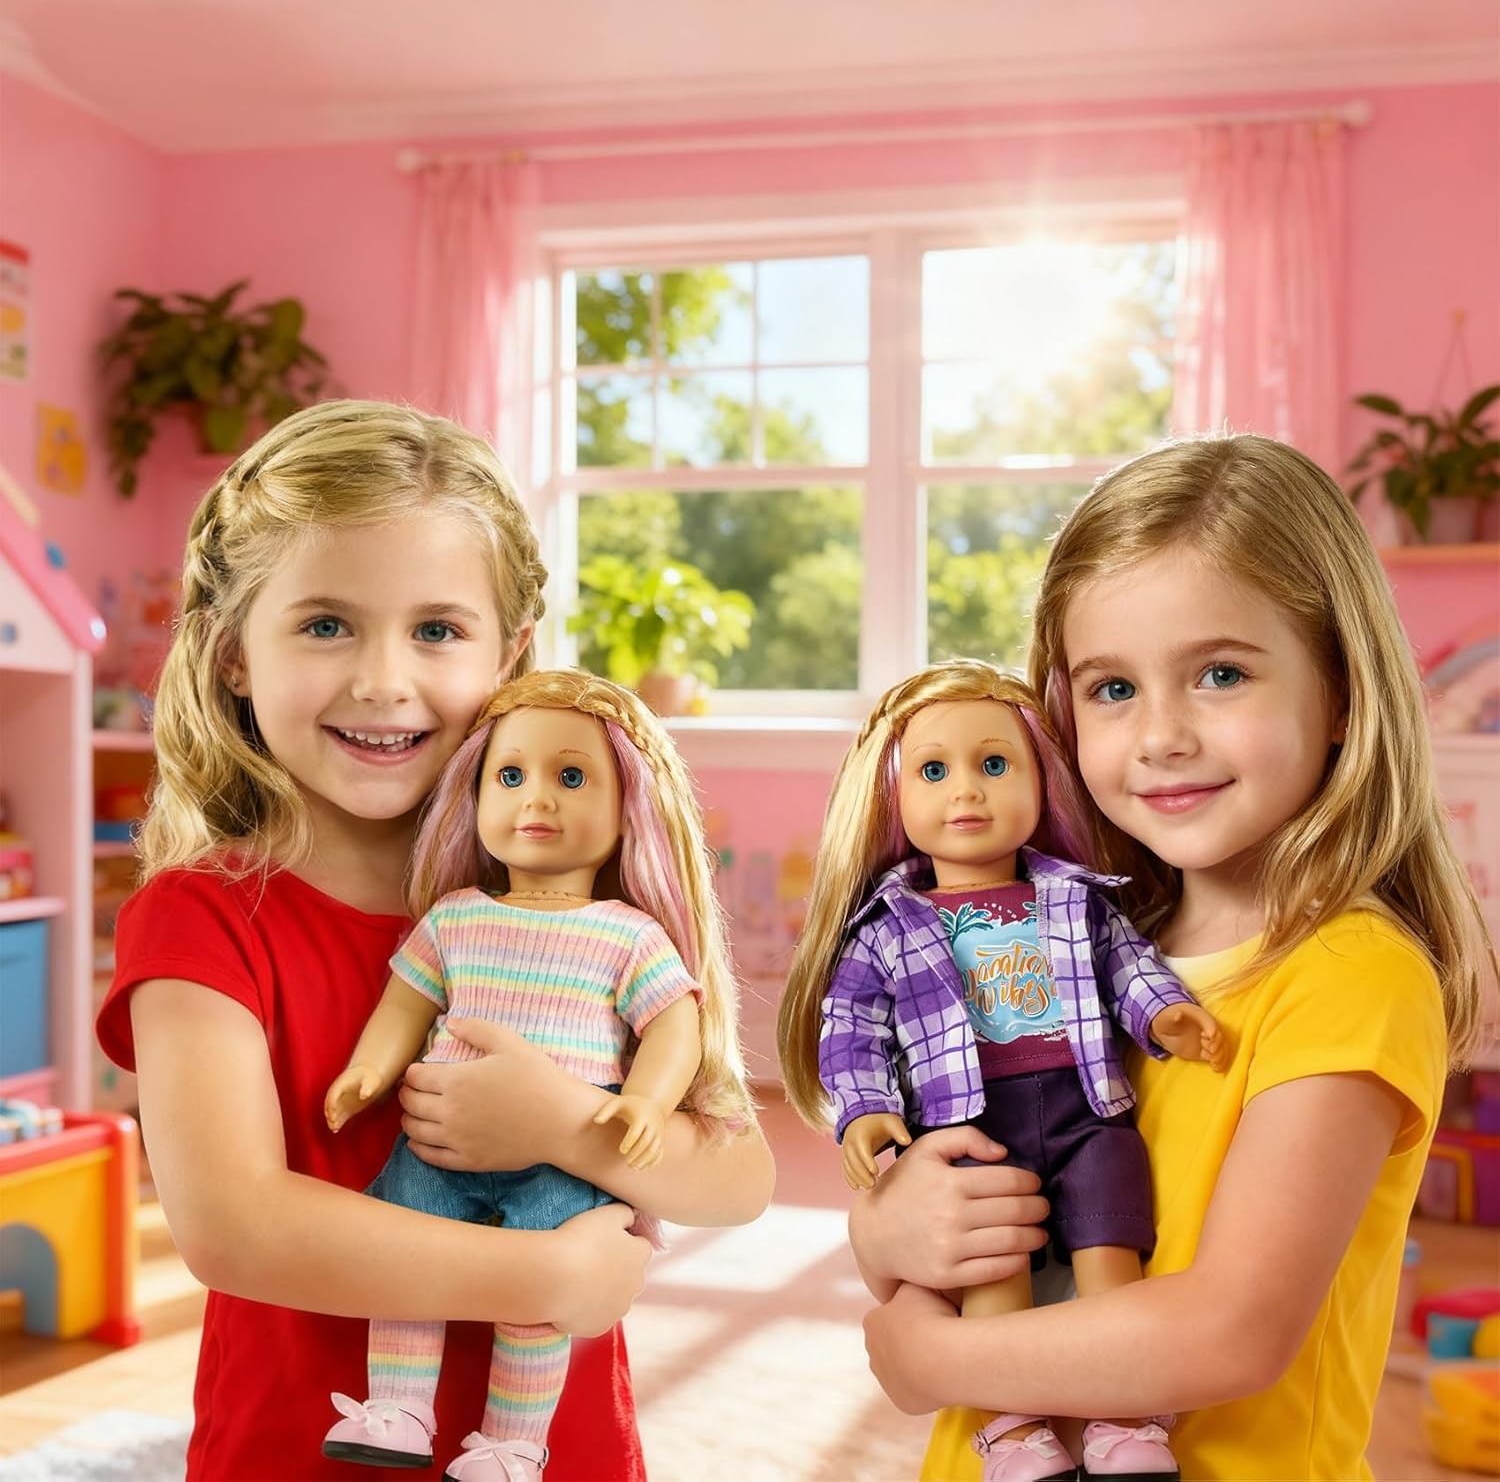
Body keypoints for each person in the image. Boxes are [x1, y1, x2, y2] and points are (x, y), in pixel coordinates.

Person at [96, 400, 774, 1482]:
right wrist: (538, 1278)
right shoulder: (199, 918)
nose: (383, 679)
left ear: (511, 657)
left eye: (438, 631)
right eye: (326, 625)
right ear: (232, 656)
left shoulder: (585, 911)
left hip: (557, 1456)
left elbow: (738, 1177)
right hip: (302, 1457)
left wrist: (561, 1124)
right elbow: (232, 1225)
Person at [853, 435, 1493, 1481]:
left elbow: (1233, 1330)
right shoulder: (1081, 940)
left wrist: (936, 1358)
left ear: (1340, 691)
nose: (1159, 736)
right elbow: (960, 1193)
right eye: (1112, 689)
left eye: (1221, 674)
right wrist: (888, 1234)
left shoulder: (1351, 975)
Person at [779, 662, 1226, 1481]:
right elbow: (852, 1026)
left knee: (1110, 1246)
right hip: (973, 1124)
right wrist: (865, 1110)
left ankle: (1123, 1416)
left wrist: (1164, 1013)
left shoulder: (1074, 900)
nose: (966, 791)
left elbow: (1126, 965)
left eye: (994, 764)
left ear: (1041, 782)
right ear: (892, 795)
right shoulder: (889, 926)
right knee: (993, 1262)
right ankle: (1013, 1430)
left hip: (1088, 1105)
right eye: (933, 770)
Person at [321, 668, 754, 1481]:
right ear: (476, 795)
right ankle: (400, 1407)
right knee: (408, 1260)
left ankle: (513, 1443)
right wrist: (368, 1071)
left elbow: (675, 1026)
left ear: (627, 807)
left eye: (572, 778)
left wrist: (646, 1102)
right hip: (437, 1143)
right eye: (511, 777)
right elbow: (405, 1003)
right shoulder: (455, 917)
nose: (538, 800)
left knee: (541, 1300)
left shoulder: (627, 934)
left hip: (565, 1155)